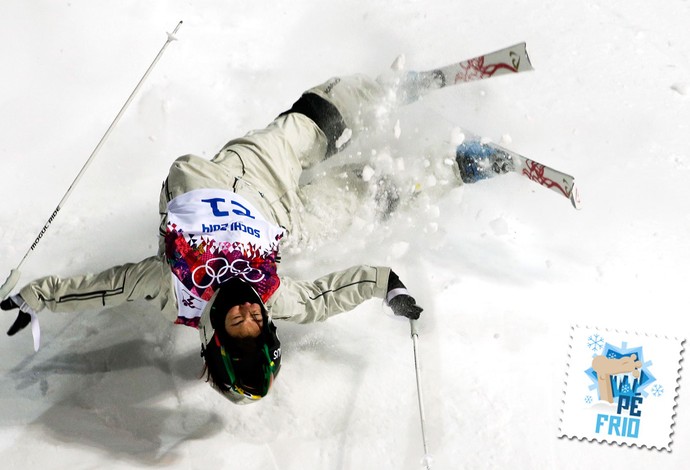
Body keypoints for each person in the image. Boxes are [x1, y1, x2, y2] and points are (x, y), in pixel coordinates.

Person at [1, 73, 423, 404]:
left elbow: (106, 288)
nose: (246, 309)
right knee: (342, 210)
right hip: (279, 217)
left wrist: (36, 296)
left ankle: (377, 92)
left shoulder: (176, 288)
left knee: (306, 129)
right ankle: (427, 174)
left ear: (213, 332)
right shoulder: (274, 297)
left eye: (236, 321)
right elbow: (322, 299)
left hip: (231, 178)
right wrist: (388, 287)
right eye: (255, 320)